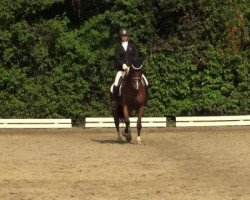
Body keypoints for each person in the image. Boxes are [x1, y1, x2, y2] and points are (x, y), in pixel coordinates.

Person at [111, 29, 148, 102]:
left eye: (125, 35)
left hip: (133, 70)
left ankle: (145, 99)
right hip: (122, 70)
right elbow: (117, 58)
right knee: (115, 84)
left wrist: (132, 65)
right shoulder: (118, 48)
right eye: (123, 36)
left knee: (146, 82)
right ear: (120, 37)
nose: (124, 37)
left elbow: (136, 57)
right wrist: (122, 65)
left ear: (127, 36)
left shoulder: (133, 46)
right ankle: (115, 102)